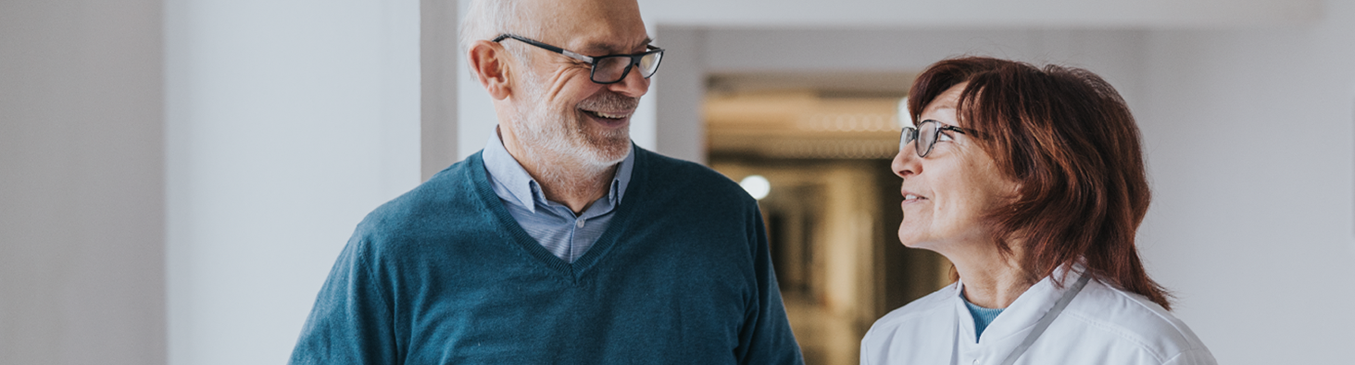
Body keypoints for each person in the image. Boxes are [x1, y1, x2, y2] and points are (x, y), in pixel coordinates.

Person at [287, 0, 803, 363]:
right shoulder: (396, 247)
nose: (636, 84)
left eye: (640, 55)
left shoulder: (720, 215)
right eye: (600, 59)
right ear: (495, 68)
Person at [860, 57, 1216, 365]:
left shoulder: (1146, 351)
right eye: (911, 137)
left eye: (936, 136)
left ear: (1031, 173)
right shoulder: (893, 340)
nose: (901, 163)